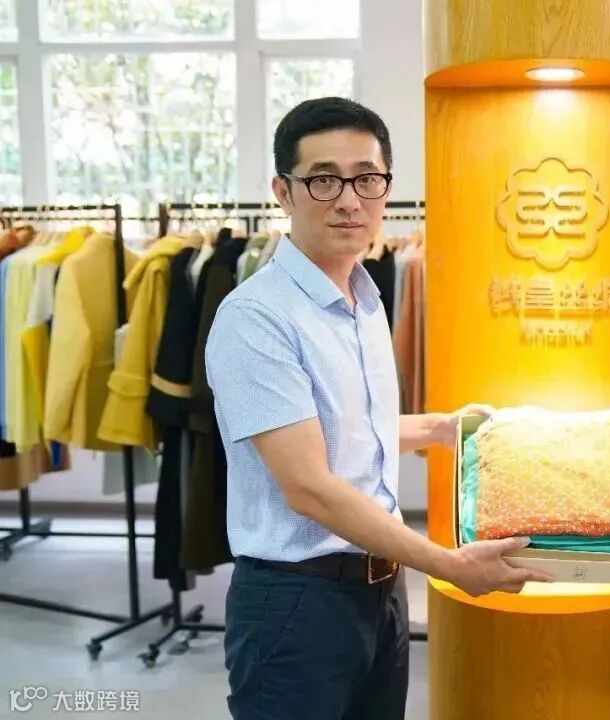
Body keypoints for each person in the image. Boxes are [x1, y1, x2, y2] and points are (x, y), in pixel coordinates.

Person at [205, 97, 551, 720]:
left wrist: (444, 428)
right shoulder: (256, 317)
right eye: (324, 180)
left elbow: (347, 431)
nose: (349, 200)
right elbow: (309, 485)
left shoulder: (362, 297)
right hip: (296, 604)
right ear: (283, 192)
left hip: (381, 591)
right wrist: (446, 565)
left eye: (367, 178)